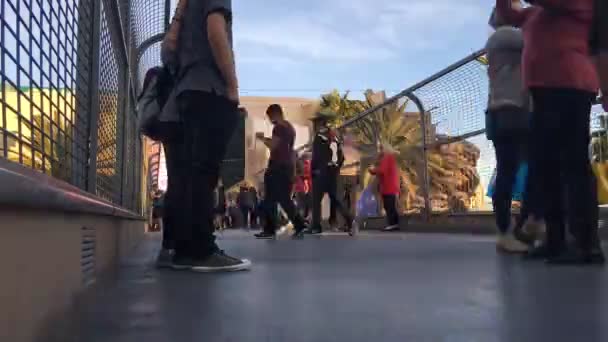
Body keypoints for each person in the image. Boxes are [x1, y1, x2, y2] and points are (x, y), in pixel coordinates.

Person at [497, 0, 604, 264]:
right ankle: (555, 240)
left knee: (573, 162)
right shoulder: (537, 13)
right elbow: (509, 14)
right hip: (544, 91)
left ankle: (586, 243)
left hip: (571, 85)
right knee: (545, 167)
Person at [158, 0, 250, 271]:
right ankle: (202, 250)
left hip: (185, 93)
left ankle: (184, 250)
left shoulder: (183, 10)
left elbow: (168, 53)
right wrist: (232, 85)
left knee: (187, 173)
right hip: (209, 89)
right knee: (205, 171)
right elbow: (216, 30)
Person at [485, 7, 532, 253]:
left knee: (512, 169)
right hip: (509, 110)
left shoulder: (501, 40)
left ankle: (518, 226)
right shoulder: (505, 37)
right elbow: (536, 35)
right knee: (510, 170)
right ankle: (509, 230)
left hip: (504, 111)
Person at [253, 104, 307, 239]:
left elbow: (274, 146)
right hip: (287, 166)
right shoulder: (290, 128)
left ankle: (270, 229)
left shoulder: (279, 127)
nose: (270, 120)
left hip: (276, 166)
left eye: (270, 116)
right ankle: (299, 224)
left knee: (270, 198)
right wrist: (293, 172)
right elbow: (290, 150)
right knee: (284, 199)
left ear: (275, 114)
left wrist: (262, 139)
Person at [309, 112, 353, 234]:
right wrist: (336, 167)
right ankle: (349, 219)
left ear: (319, 124)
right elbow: (341, 157)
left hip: (321, 174)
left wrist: (315, 170)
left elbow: (316, 157)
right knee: (336, 199)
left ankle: (316, 226)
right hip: (333, 173)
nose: (314, 126)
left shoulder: (319, 138)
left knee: (316, 200)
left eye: (315, 123)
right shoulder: (334, 137)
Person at [369, 143, 401, 231]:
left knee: (389, 205)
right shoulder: (389, 158)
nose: (379, 151)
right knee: (390, 205)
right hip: (390, 185)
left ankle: (392, 223)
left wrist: (372, 170)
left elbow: (382, 170)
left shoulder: (387, 157)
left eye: (381, 148)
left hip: (389, 186)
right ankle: (394, 223)